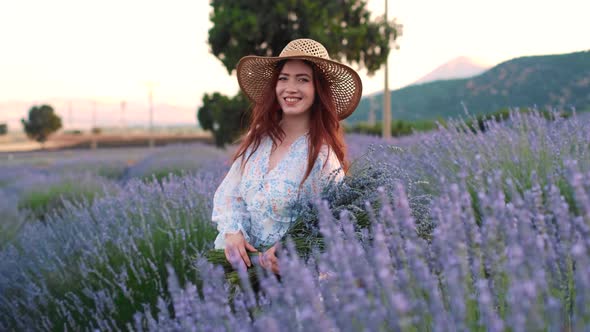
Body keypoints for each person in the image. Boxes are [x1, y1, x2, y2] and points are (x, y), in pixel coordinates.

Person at [212, 38, 362, 274]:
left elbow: (336, 231)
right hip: (241, 281)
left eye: (302, 79)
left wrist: (295, 255)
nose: (290, 88)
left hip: (292, 290)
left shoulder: (322, 157)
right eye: (283, 78)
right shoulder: (259, 139)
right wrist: (232, 233)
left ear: (317, 90)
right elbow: (230, 195)